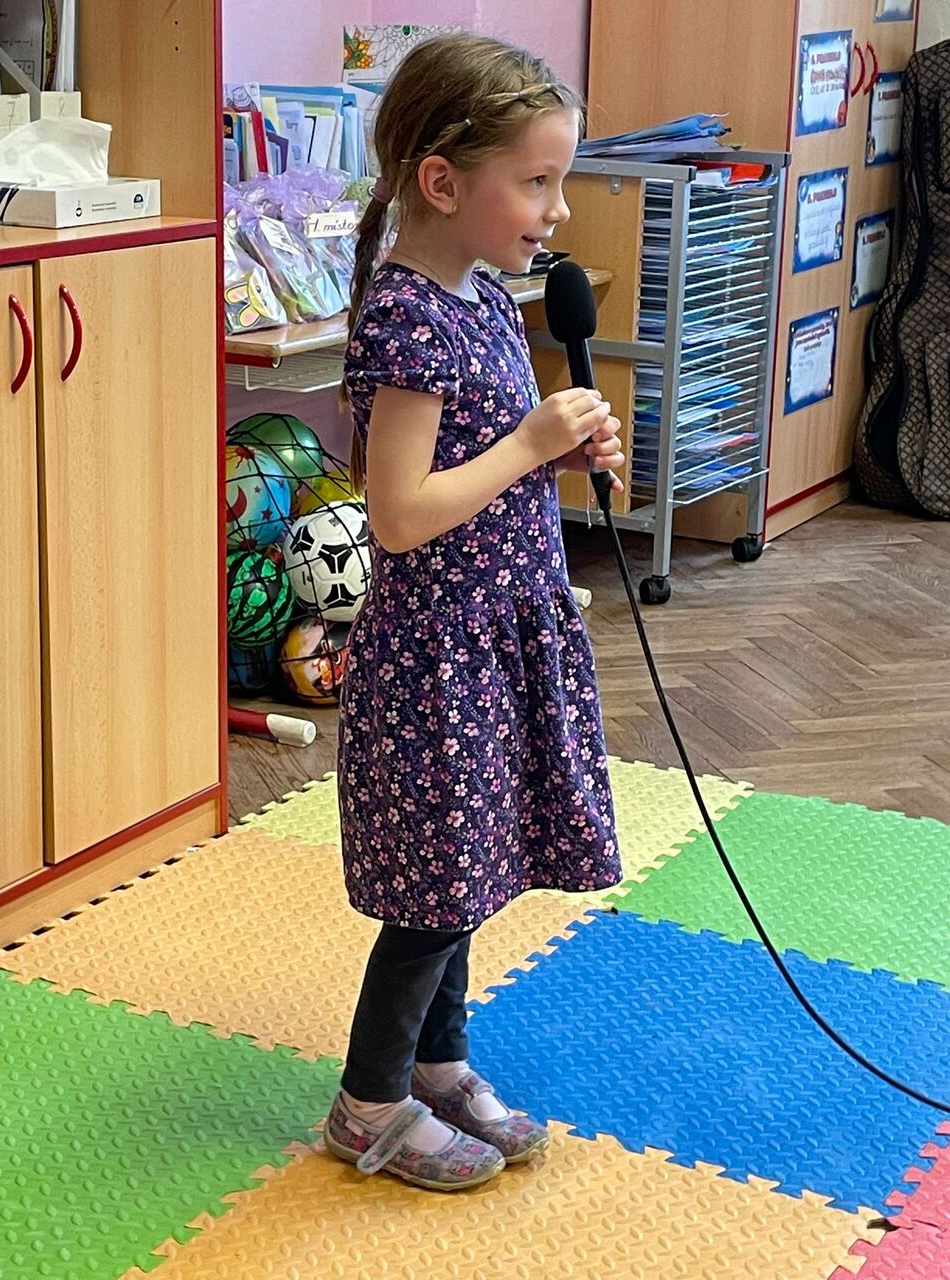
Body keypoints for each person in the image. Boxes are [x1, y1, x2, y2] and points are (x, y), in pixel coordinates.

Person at [324, 31, 624, 1192]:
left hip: (498, 636)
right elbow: (400, 512)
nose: (557, 209)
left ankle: (439, 1062)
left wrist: (560, 450)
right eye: (537, 181)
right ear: (443, 182)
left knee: (472, 866)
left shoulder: (487, 296)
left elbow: (486, 460)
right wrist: (531, 444)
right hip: (438, 654)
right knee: (434, 892)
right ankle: (368, 1100)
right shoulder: (408, 319)